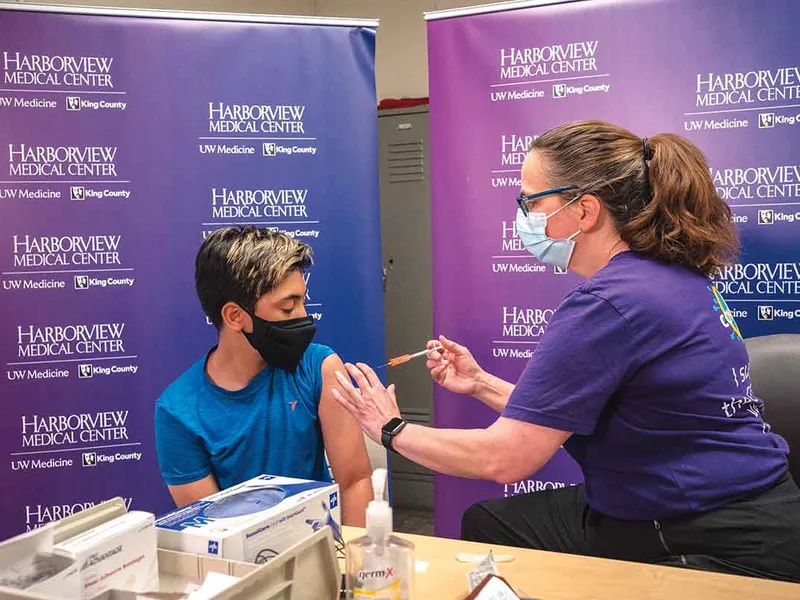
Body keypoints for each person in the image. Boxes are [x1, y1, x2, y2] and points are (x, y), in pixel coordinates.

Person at [331, 121, 800, 581]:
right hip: (720, 503)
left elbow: (505, 458)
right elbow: (570, 411)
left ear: (585, 210)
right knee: (490, 523)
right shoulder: (669, 276)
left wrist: (389, 428)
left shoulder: (611, 303)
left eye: (530, 201)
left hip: (711, 533)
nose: (523, 215)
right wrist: (481, 383)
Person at [155, 227, 373, 526]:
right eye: (288, 307)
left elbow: (354, 481)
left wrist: (352, 567)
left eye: (302, 301)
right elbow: (211, 527)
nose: (303, 315)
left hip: (322, 551)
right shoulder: (177, 411)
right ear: (234, 316)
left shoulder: (319, 367)